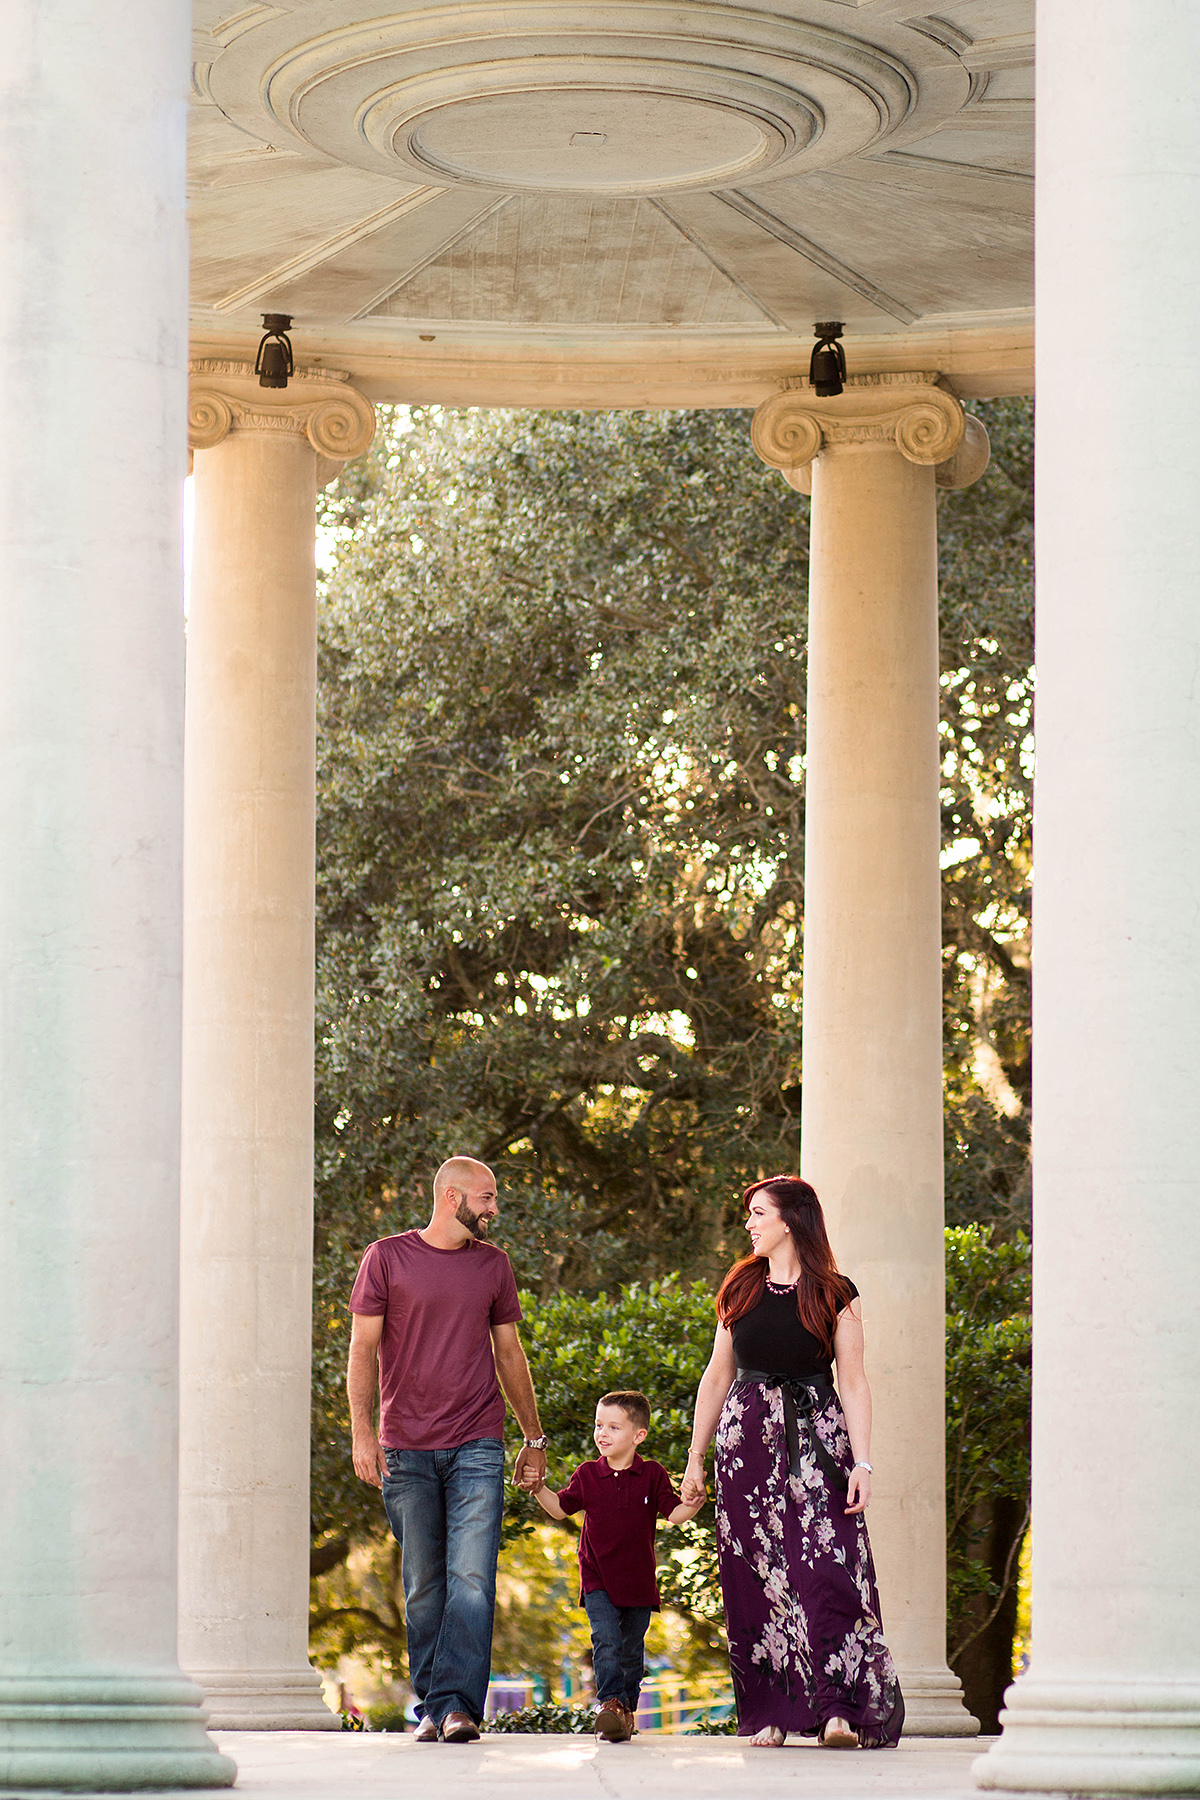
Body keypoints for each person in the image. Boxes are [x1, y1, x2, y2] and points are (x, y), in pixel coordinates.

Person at [680, 1176, 904, 1749]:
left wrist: (864, 1462)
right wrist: (696, 1456)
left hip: (818, 1439)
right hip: (746, 1444)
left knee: (829, 1572)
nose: (750, 1224)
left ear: (791, 1220)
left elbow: (852, 1381)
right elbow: (717, 1374)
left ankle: (837, 1711)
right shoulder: (740, 1287)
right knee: (758, 1575)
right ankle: (773, 1713)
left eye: (758, 1213)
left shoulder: (836, 1292)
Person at [347, 1156, 549, 1743]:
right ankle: (434, 1704)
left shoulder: (494, 1266)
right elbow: (363, 1349)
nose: (494, 1208)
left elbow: (510, 1355)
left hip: (477, 1442)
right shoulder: (386, 1258)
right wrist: (363, 1432)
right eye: (486, 1198)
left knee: (471, 1577)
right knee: (424, 1585)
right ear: (452, 1197)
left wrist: (533, 1438)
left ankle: (457, 1705)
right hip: (405, 1448)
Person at [532, 1390, 704, 1742]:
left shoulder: (653, 1475)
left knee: (630, 1652)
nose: (602, 1434)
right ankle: (610, 1704)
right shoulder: (587, 1475)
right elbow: (560, 1508)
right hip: (598, 1579)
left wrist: (695, 1504)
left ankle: (625, 1710)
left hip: (639, 1582)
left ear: (638, 1435)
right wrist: (538, 1488)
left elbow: (674, 1514)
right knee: (606, 1640)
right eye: (599, 1425)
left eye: (613, 1427)